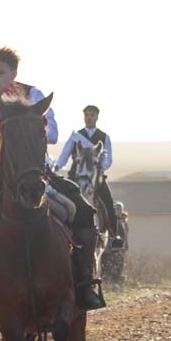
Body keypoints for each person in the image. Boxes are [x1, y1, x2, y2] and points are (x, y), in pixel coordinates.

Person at [0, 47, 102, 336]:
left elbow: (52, 134)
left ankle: (84, 284)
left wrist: (25, 116)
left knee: (82, 211)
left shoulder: (31, 94)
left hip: (32, 174)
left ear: (13, 73)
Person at [54, 104, 119, 245]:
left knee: (108, 202)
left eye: (92, 115)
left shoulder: (104, 137)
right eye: (87, 115)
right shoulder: (76, 136)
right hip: (75, 177)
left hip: (95, 177)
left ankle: (114, 237)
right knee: (59, 199)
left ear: (97, 117)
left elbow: (108, 159)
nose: (89, 118)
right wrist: (57, 166)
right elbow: (65, 154)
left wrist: (101, 165)